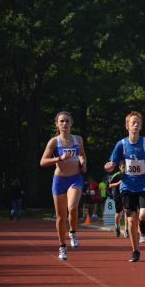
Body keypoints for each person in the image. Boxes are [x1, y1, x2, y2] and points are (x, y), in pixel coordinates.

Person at [104, 111, 145, 262]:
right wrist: (109, 166)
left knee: (143, 215)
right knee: (130, 220)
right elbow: (112, 163)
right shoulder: (121, 144)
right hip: (127, 186)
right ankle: (135, 251)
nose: (135, 125)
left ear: (141, 126)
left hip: (144, 185)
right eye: (133, 122)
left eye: (138, 123)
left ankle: (144, 226)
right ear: (127, 126)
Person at [39, 111, 87, 260]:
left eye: (67, 121)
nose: (64, 124)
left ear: (71, 123)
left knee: (72, 206)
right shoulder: (54, 142)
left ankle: (72, 232)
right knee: (61, 216)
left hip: (75, 178)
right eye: (61, 121)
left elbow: (82, 155)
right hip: (59, 180)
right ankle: (62, 246)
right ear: (57, 124)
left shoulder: (78, 139)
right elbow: (42, 161)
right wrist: (59, 158)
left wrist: (83, 163)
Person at [107, 161, 128, 238]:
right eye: (123, 167)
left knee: (127, 211)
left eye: (126, 167)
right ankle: (117, 226)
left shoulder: (129, 175)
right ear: (119, 168)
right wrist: (118, 183)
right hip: (118, 195)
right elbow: (109, 185)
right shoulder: (116, 175)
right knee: (119, 213)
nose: (124, 169)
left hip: (127, 195)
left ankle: (126, 230)